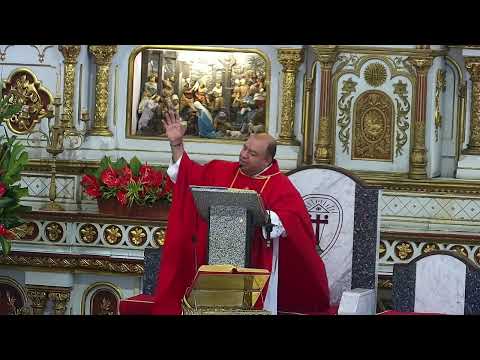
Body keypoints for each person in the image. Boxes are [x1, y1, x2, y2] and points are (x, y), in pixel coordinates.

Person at [151, 110, 330, 315]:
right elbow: (187, 174)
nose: (244, 154)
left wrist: (269, 218)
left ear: (267, 160)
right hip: (215, 260)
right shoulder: (222, 170)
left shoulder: (280, 185)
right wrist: (176, 144)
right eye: (245, 147)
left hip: (257, 263)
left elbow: (295, 219)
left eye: (252, 154)